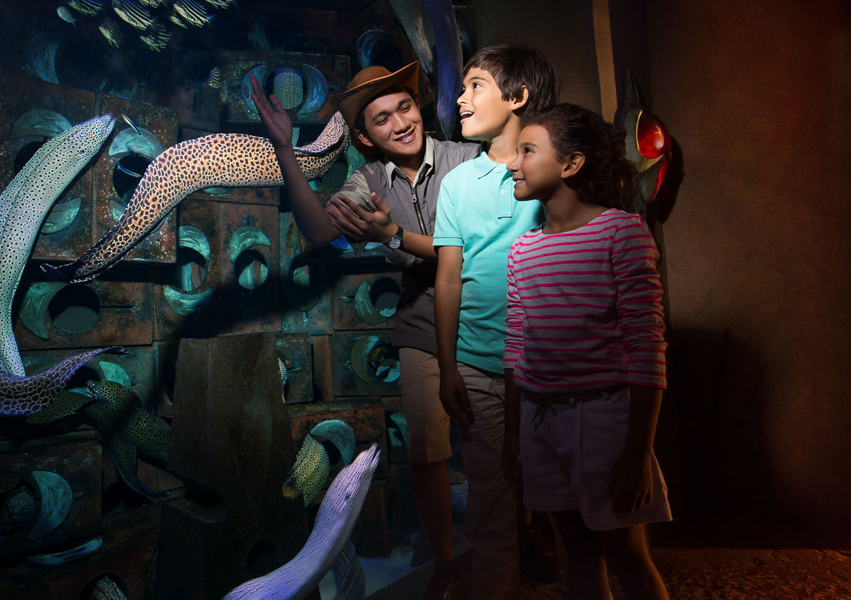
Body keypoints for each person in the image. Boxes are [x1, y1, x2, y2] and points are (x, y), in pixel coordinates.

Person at [249, 64, 480, 599]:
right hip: (423, 324)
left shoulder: (466, 160)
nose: (400, 123)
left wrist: (395, 234)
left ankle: (522, 535)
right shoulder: (369, 181)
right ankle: (445, 564)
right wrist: (287, 149)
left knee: (500, 444)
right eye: (382, 119)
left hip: (489, 323)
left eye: (405, 107)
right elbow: (319, 229)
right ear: (364, 137)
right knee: (426, 452)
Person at [503, 102, 672, 600]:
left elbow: (646, 349)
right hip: (539, 421)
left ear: (571, 164)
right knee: (573, 551)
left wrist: (638, 452)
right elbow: (517, 348)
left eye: (527, 151)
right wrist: (516, 435)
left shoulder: (620, 233)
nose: (513, 162)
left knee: (625, 554)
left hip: (603, 419)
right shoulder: (523, 250)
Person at [430, 44, 559, 600]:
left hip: (552, 369)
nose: (460, 98)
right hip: (478, 367)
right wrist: (447, 365)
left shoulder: (553, 172)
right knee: (489, 504)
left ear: (517, 97)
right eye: (461, 88)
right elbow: (448, 278)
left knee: (564, 501)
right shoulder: (458, 184)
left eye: (475, 85)